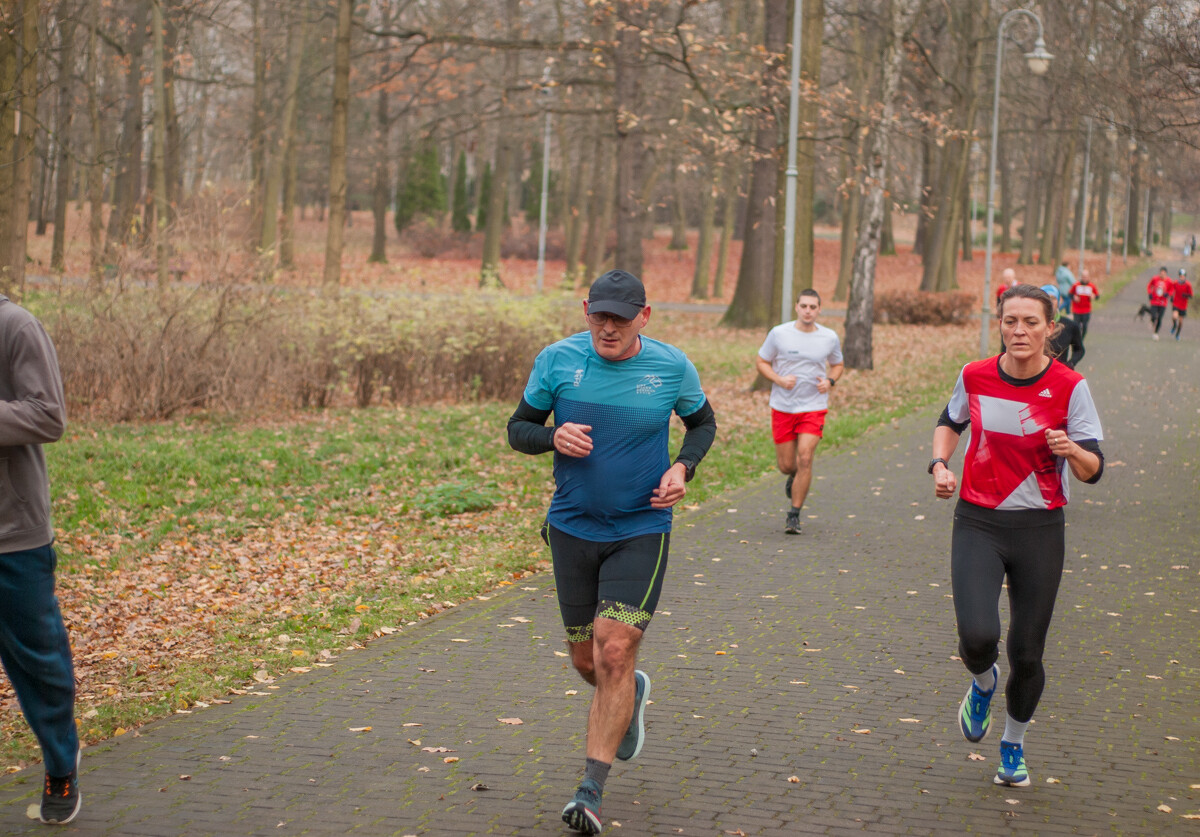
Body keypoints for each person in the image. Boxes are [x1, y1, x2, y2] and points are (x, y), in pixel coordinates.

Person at [506, 269, 717, 835]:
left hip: (641, 526)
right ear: (585, 310)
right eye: (599, 315)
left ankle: (589, 792)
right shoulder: (558, 360)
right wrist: (551, 436)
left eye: (621, 318)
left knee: (615, 649)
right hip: (572, 528)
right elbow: (517, 428)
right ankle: (630, 695)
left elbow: (702, 424)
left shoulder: (672, 366)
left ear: (644, 317)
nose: (608, 327)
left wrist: (683, 466)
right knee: (587, 661)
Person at [930, 283, 1104, 789]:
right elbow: (950, 421)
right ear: (999, 324)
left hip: (1039, 528)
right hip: (978, 520)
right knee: (979, 636)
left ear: (1051, 328)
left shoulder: (1071, 386)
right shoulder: (975, 375)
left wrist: (1071, 449)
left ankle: (1013, 744)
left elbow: (1094, 469)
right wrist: (940, 463)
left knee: (1027, 652)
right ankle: (982, 684)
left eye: (1031, 322)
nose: (1019, 330)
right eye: (1010, 321)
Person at [0, 295, 81, 824]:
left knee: (40, 664)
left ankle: (60, 763)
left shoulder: (15, 326)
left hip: (12, 535)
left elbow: (49, 414)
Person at [755, 289, 844, 535]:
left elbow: (838, 364)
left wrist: (830, 381)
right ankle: (793, 476)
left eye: (813, 307)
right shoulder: (779, 334)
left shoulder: (829, 337)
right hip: (783, 406)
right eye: (804, 306)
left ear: (819, 310)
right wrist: (779, 379)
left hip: (813, 406)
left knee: (805, 457)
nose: (808, 311)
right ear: (796, 307)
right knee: (787, 465)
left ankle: (794, 515)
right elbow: (761, 361)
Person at [1040, 285, 1085, 369]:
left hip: (1060, 374)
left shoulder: (1070, 326)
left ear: (1059, 301)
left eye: (1053, 298)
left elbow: (1079, 350)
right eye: (1046, 298)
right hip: (1035, 375)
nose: (1050, 301)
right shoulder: (1031, 326)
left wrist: (1071, 363)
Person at [1068, 269, 1100, 339]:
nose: (1084, 278)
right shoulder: (1076, 285)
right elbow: (1069, 294)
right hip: (1077, 310)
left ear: (1089, 277)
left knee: (1084, 326)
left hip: (1086, 310)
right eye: (1083, 276)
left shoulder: (1091, 286)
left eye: (1086, 277)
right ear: (1081, 277)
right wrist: (1074, 297)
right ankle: (1077, 339)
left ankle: (1081, 339)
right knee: (1077, 326)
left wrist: (1093, 296)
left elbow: (1097, 296)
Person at [1146, 266, 1173, 340]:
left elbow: (1172, 290)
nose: (1162, 275)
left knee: (1160, 318)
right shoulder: (1155, 279)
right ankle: (1152, 320)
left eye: (1164, 274)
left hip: (1163, 302)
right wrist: (1150, 293)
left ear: (1166, 274)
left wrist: (1168, 294)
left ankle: (1156, 333)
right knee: (1153, 315)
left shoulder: (1169, 281)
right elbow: (1149, 286)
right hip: (1154, 300)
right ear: (1159, 273)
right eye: (1161, 273)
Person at [1170, 268, 1194, 341]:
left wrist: (1186, 295)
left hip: (1183, 305)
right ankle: (1174, 326)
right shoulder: (1175, 283)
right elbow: (1171, 289)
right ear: (1179, 276)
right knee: (1174, 316)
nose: (1182, 277)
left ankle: (1177, 334)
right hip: (1176, 303)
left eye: (1183, 276)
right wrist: (1171, 296)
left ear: (1185, 277)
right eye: (1180, 276)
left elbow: (1191, 295)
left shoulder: (1188, 285)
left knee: (1180, 321)